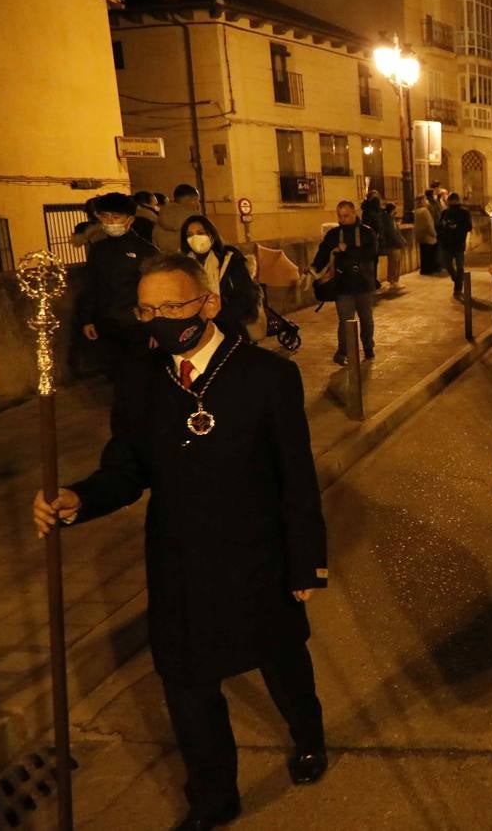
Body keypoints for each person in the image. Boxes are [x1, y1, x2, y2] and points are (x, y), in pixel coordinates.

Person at [33, 254, 329, 831]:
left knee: (282, 660)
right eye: (147, 311)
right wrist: (79, 498)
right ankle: (213, 797)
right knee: (186, 683)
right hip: (178, 560)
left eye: (171, 307)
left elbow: (296, 477)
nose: (158, 320)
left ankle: (308, 736)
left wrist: (306, 564)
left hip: (258, 555)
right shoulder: (141, 379)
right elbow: (126, 469)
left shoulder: (267, 376)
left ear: (208, 305)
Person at [80, 191, 160, 380]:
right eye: (105, 216)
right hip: (106, 324)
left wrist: (156, 328)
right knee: (115, 376)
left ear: (130, 219)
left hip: (137, 326)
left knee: (139, 376)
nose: (110, 222)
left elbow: (157, 292)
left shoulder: (146, 251)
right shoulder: (98, 249)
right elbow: (91, 285)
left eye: (116, 217)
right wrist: (87, 319)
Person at [312, 201, 379, 365]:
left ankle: (368, 347)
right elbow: (323, 253)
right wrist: (313, 268)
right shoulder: (333, 234)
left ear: (354, 213)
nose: (342, 219)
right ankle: (343, 352)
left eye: (346, 216)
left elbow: (371, 252)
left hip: (364, 284)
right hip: (343, 285)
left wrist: (346, 250)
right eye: (339, 216)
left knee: (366, 319)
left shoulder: (367, 232)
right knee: (345, 321)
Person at [178, 215, 260, 332]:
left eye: (200, 233)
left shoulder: (230, 258)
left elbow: (245, 297)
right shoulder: (184, 265)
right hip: (195, 328)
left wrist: (214, 317)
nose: (195, 238)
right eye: (189, 235)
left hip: (230, 326)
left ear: (211, 235)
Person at [437, 192, 473, 300]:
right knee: (447, 264)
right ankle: (457, 279)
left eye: (452, 200)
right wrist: (446, 227)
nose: (451, 202)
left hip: (458, 243)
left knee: (460, 266)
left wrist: (457, 227)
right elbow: (439, 226)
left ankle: (457, 289)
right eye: (450, 200)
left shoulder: (464, 212)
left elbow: (468, 226)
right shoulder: (445, 212)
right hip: (446, 243)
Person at [157, 184, 202, 253]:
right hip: (188, 257)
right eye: (197, 200)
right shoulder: (194, 218)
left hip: (164, 257)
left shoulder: (161, 215)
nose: (198, 204)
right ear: (191, 200)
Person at [414, 194, 440, 276]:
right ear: (422, 201)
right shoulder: (425, 211)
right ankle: (429, 269)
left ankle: (424, 269)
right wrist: (434, 234)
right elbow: (429, 224)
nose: (427, 201)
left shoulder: (416, 211)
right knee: (429, 254)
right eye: (425, 200)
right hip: (428, 236)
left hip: (420, 236)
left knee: (423, 254)